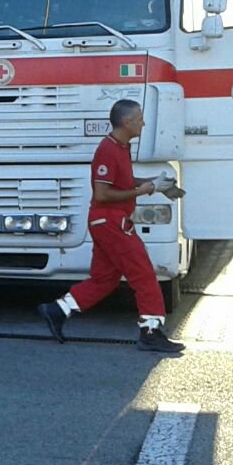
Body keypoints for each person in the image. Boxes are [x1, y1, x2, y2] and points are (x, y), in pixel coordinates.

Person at [38, 99, 184, 353]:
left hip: (106, 223)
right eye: (139, 119)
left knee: (105, 280)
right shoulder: (108, 150)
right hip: (112, 222)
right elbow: (103, 193)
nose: (143, 123)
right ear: (127, 123)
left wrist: (155, 184)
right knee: (144, 275)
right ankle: (150, 332)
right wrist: (145, 189)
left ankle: (58, 310)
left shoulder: (119, 147)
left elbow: (122, 183)